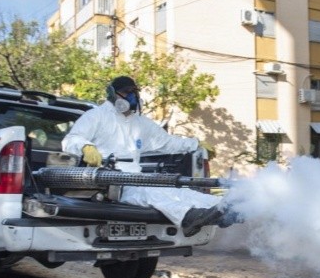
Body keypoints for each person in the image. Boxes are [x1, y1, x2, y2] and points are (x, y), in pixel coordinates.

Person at [62, 76, 236, 235]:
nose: (132, 97)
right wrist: (85, 146)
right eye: (126, 92)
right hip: (108, 181)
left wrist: (195, 144)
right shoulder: (96, 116)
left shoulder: (139, 123)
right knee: (149, 194)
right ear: (113, 95)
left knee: (174, 191)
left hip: (135, 178)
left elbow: (167, 142)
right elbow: (71, 139)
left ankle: (223, 209)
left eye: (134, 92)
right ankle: (189, 218)